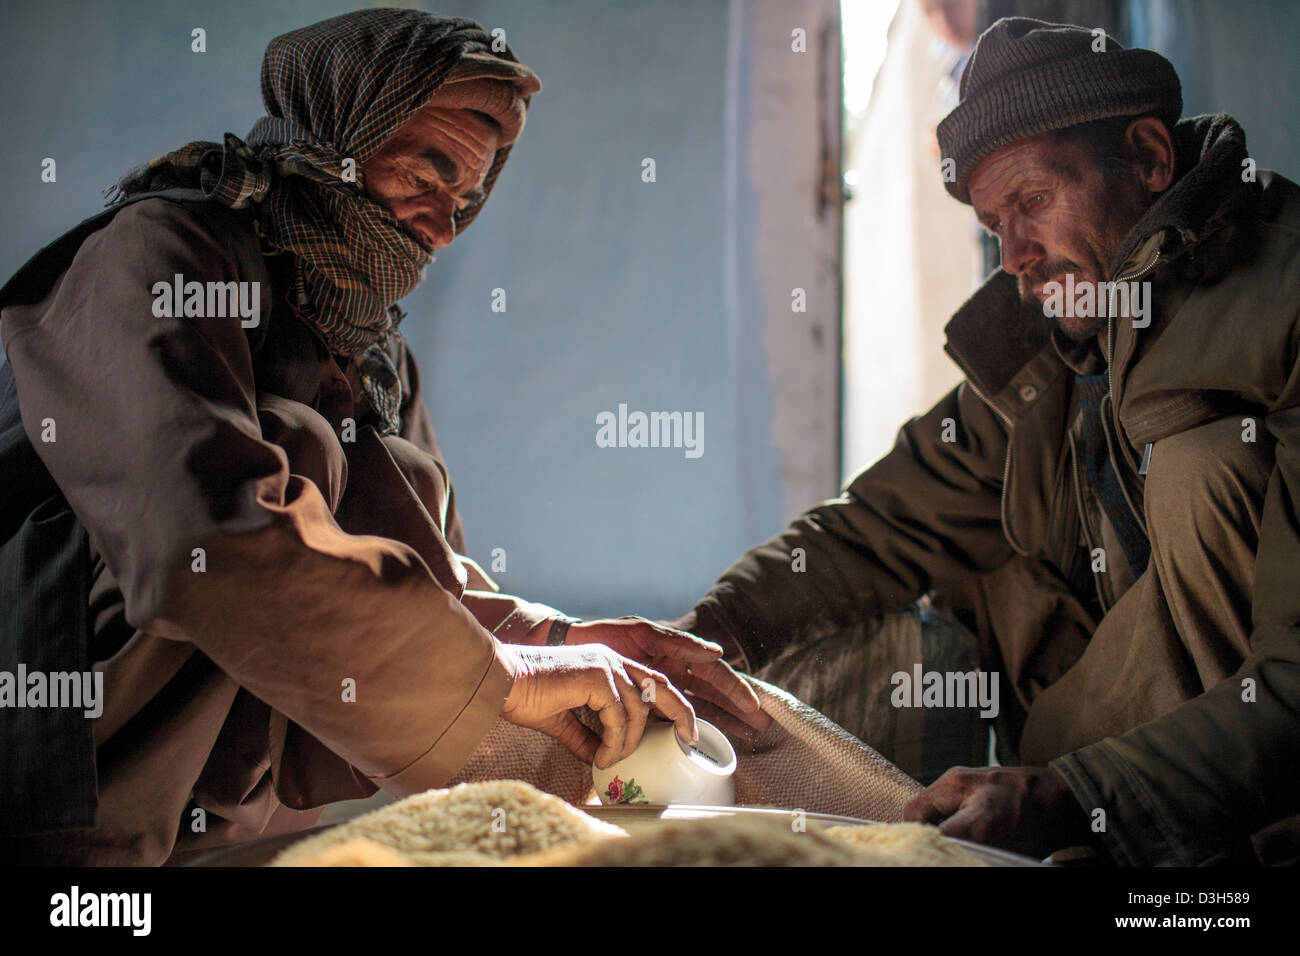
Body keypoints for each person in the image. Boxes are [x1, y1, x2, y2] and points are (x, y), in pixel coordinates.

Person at [0, 8, 761, 866]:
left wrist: (551, 639)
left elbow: (420, 570)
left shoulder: (371, 348)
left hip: (219, 827)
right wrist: (504, 681)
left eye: (462, 202)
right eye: (420, 182)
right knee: (297, 454)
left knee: (382, 474)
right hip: (52, 760)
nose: (439, 230)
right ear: (331, 145)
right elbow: (204, 539)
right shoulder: (164, 253)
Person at [673, 17, 1300, 865]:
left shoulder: (1283, 297)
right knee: (931, 576)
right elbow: (877, 525)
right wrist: (705, 634)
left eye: (1035, 201)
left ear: (1150, 158)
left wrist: (1079, 797)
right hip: (1097, 781)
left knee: (1201, 468)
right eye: (992, 223)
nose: (1014, 257)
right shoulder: (1049, 355)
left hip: (1249, 790)